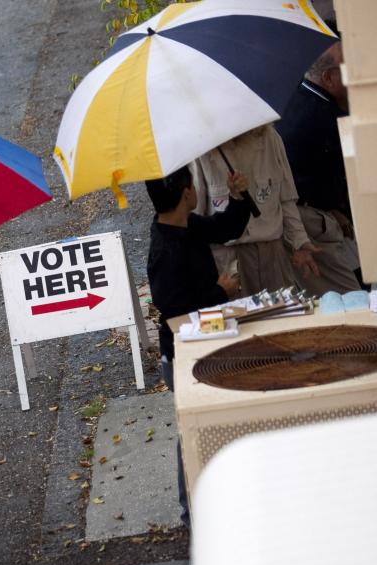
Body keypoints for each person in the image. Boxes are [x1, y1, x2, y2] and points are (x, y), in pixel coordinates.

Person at [145, 165, 250, 525]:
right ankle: (192, 511)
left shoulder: (185, 226)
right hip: (181, 354)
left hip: (207, 341)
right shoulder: (165, 249)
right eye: (192, 185)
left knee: (215, 425)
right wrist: (221, 292)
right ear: (186, 193)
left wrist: (238, 197)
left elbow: (225, 228)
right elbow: (174, 309)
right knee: (194, 431)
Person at [276, 27, 365, 294]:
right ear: (327, 78)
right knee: (352, 294)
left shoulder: (298, 94)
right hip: (308, 220)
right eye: (346, 70)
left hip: (316, 210)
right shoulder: (324, 115)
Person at [189, 125, 321, 295]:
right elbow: (195, 215)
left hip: (272, 253)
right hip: (229, 260)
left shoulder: (270, 137)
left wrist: (300, 242)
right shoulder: (201, 148)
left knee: (283, 317)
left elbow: (286, 198)